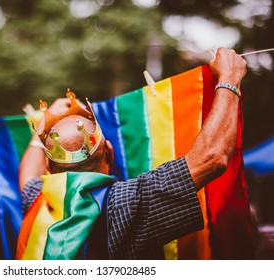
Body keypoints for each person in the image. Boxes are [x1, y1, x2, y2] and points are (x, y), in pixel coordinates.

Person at [17, 48, 247, 259]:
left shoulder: (39, 199)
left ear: (49, 167)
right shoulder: (123, 203)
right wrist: (229, 78)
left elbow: (27, 175)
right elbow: (212, 158)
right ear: (110, 151)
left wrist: (42, 128)